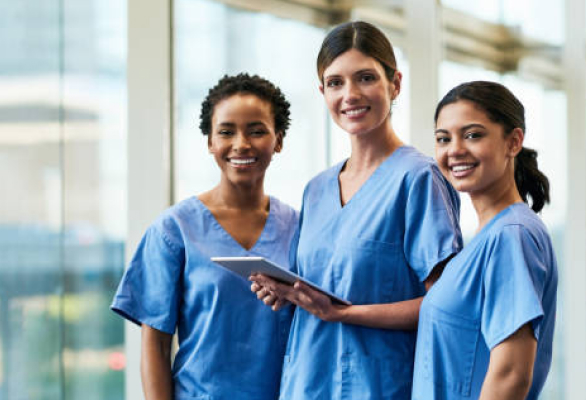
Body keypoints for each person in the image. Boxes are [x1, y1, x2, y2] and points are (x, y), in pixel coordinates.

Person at [250, 21, 462, 399]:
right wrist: (285, 293)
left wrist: (345, 314)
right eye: (335, 82)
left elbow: (447, 307)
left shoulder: (417, 180)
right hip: (307, 384)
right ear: (322, 91)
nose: (349, 94)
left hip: (381, 387)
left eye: (365, 78)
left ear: (394, 83)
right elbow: (321, 290)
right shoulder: (316, 190)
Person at [111, 73, 299, 400]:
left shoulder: (298, 228)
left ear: (278, 140)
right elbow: (155, 343)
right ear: (210, 141)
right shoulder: (174, 230)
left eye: (257, 131)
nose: (241, 143)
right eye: (226, 132)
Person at [412, 81, 558, 400]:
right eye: (443, 138)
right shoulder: (485, 240)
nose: (455, 150)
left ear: (513, 142)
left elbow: (511, 374)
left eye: (473, 135)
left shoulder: (511, 235)